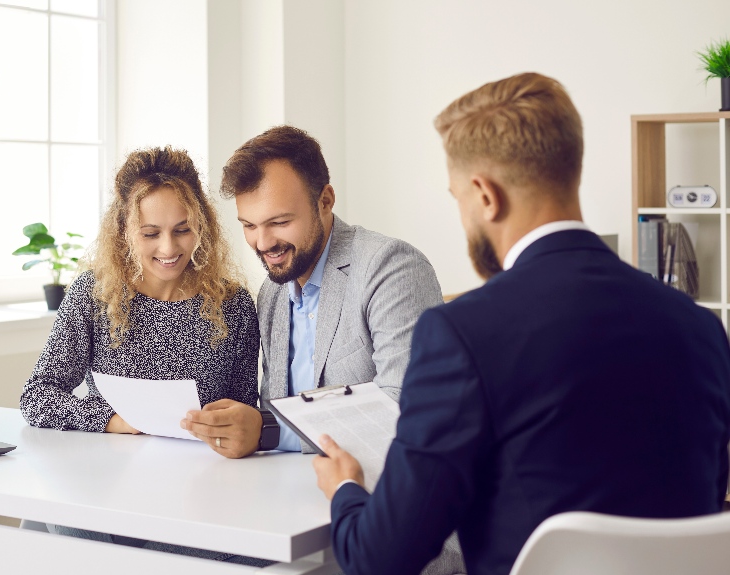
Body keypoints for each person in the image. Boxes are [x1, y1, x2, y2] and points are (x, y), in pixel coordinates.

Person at [312, 72, 730, 575]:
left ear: (485, 196)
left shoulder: (460, 335)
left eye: (457, 198)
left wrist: (346, 490)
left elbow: (379, 559)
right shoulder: (700, 327)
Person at [180, 125, 463, 575]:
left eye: (279, 222)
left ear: (325, 200)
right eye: (249, 226)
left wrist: (267, 432)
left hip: (395, 532)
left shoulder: (391, 268)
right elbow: (278, 412)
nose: (263, 243)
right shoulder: (272, 294)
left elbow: (403, 418)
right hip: (298, 512)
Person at [19, 146, 263, 563]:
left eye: (182, 230)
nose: (168, 248)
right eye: (151, 233)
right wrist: (113, 420)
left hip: (198, 494)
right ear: (125, 231)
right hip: (109, 487)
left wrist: (240, 426)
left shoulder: (234, 305)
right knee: (56, 511)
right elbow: (37, 396)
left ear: (201, 226)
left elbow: (244, 408)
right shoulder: (93, 297)